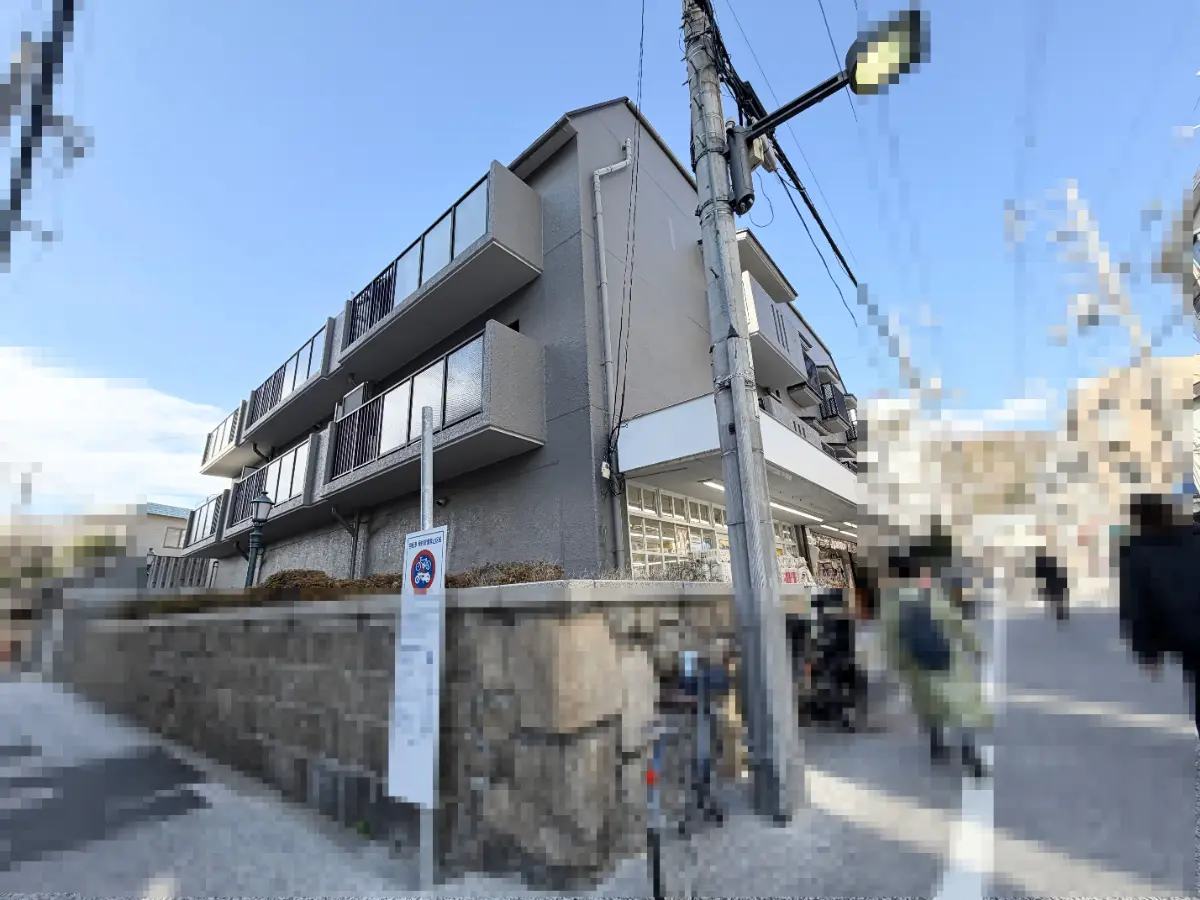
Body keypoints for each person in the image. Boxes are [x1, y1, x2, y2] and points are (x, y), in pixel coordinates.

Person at [876, 542, 992, 778]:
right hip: (946, 658)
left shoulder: (892, 601)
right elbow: (956, 622)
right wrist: (975, 647)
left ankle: (936, 744)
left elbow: (889, 637)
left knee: (928, 703)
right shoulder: (930, 593)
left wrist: (898, 665)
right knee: (962, 704)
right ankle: (968, 749)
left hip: (916, 663)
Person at [1117, 493, 1200, 738]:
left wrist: (1147, 652)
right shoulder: (1194, 538)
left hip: (1187, 633)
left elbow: (1137, 605)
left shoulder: (1137, 551)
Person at [1032, 549, 1070, 623]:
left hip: (1053, 583)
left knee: (1055, 598)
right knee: (1058, 598)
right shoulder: (1050, 561)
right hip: (1057, 582)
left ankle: (1057, 614)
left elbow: (1039, 576)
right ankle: (1059, 614)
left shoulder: (1041, 564)